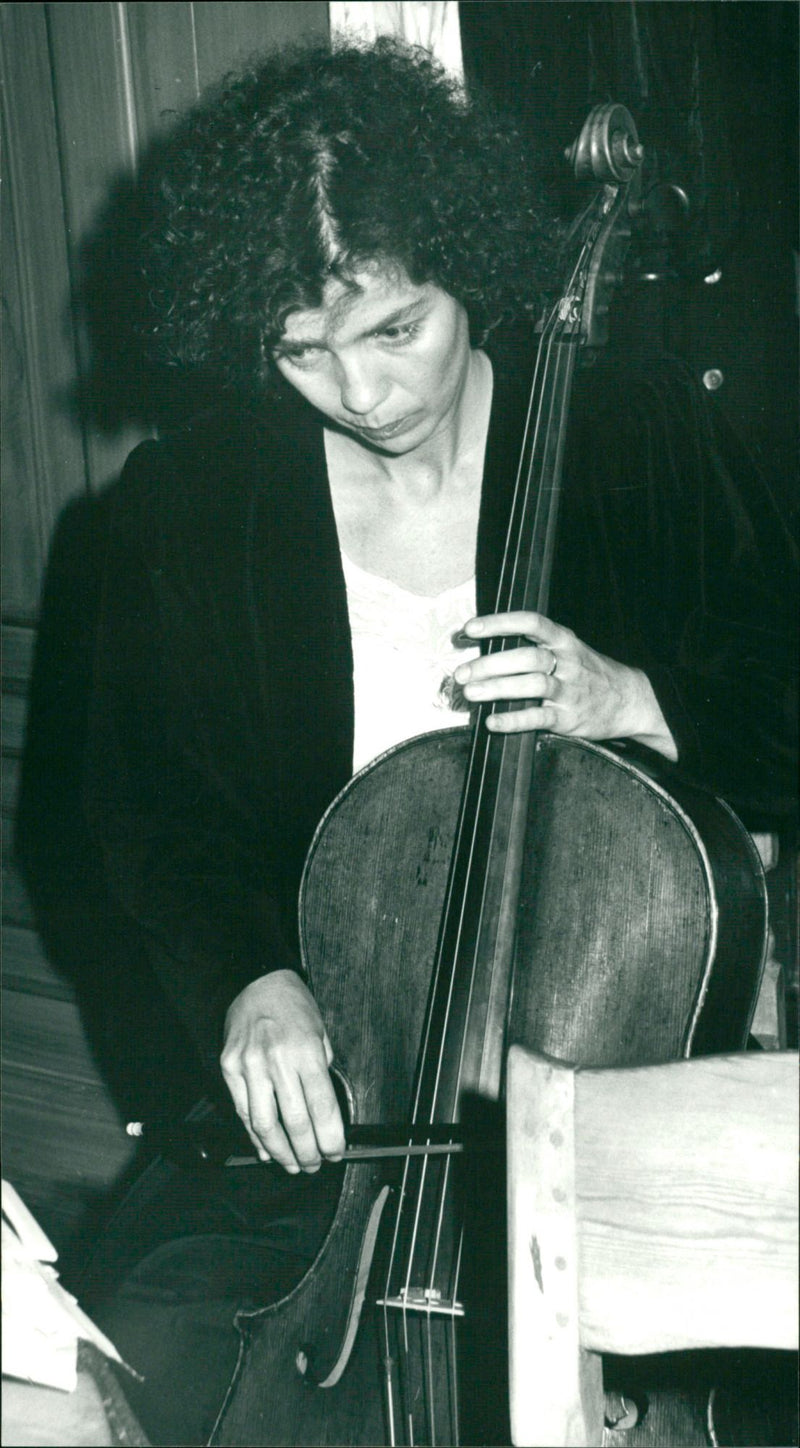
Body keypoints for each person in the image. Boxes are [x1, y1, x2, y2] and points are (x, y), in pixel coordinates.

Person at [81, 34, 797, 1443]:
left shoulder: (632, 432)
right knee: (110, 1366)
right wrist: (249, 979)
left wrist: (633, 699)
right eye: (300, 349)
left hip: (608, 1107)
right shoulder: (191, 503)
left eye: (394, 329)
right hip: (334, 1134)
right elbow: (145, 810)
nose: (359, 390)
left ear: (468, 269)